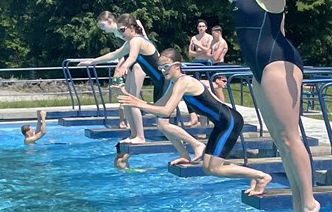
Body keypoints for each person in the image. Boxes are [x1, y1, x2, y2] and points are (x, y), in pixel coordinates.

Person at [203, 0, 332, 212]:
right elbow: (237, 1)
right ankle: (298, 201)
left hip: (278, 62)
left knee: (289, 136)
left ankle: (309, 201)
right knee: (279, 140)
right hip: (259, 70)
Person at [118, 48, 271, 195]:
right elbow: (158, 106)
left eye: (166, 66)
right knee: (208, 168)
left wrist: (138, 104)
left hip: (230, 122)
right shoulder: (176, 83)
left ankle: (262, 177)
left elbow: (166, 111)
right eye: (160, 67)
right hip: (222, 124)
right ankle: (253, 175)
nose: (163, 70)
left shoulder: (184, 82)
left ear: (176, 65)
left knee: (215, 168)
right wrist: (134, 99)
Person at [81, 14, 205, 163]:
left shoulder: (137, 40)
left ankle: (196, 144)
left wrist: (124, 66)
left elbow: (132, 57)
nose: (120, 34)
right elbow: (115, 54)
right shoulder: (131, 41)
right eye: (119, 31)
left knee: (162, 123)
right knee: (159, 122)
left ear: (132, 27)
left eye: (122, 30)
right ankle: (181, 153)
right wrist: (92, 61)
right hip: (160, 83)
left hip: (166, 82)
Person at [96, 11, 148, 129]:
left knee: (132, 99)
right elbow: (123, 52)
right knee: (128, 98)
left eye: (102, 25)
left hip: (141, 60)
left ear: (110, 21)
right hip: (135, 60)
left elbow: (132, 50)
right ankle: (133, 129)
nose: (102, 29)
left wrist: (122, 66)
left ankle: (138, 132)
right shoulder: (117, 32)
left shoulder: (120, 30)